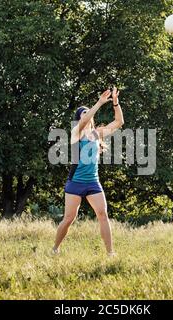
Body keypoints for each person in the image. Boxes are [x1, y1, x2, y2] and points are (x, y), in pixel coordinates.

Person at [53, 87, 124, 256]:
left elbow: (119, 122)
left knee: (103, 214)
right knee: (69, 218)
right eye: (83, 114)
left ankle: (110, 253)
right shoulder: (75, 133)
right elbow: (84, 121)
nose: (87, 117)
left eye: (88, 113)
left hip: (93, 182)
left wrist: (115, 102)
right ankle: (55, 249)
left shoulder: (97, 134)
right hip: (75, 183)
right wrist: (99, 102)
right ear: (79, 119)